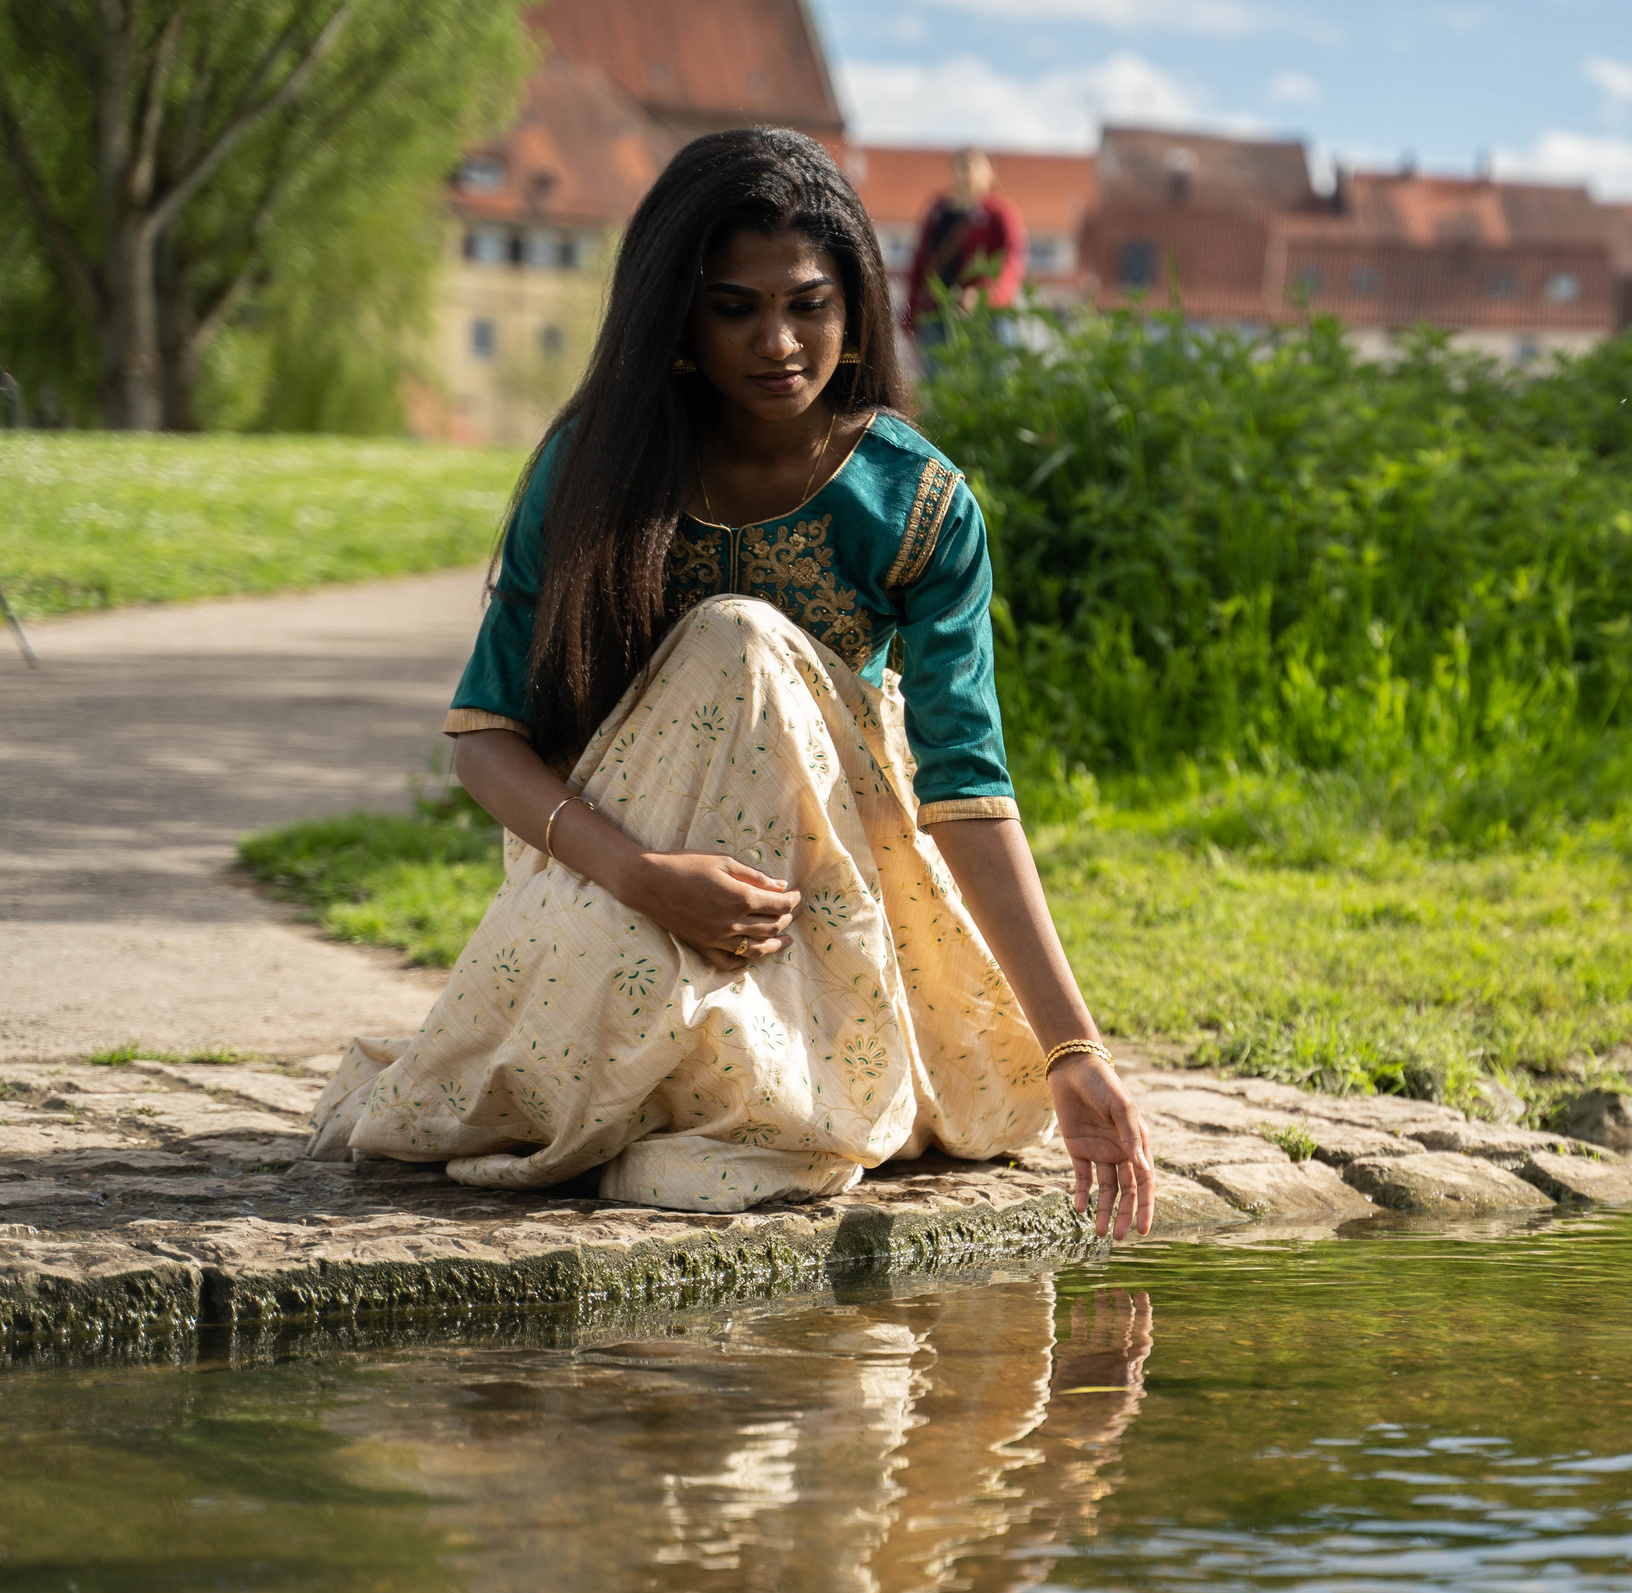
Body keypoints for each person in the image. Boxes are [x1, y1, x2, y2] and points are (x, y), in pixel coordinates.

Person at [309, 127, 1153, 1238]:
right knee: (729, 642)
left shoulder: (918, 504)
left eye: (808, 304)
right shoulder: (597, 469)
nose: (779, 342)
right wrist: (644, 876)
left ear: (854, 307)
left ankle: (776, 1070)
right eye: (733, 307)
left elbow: (964, 783)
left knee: (742, 641)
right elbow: (483, 737)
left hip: (840, 889)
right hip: (625, 865)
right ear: (677, 317)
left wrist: (1072, 1048)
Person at [902, 147, 1025, 354]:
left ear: (989, 172)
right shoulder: (937, 212)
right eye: (961, 165)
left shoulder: (999, 213)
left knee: (996, 377)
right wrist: (910, 315)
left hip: (986, 315)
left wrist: (984, 294)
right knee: (940, 381)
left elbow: (1011, 260)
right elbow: (920, 265)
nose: (967, 171)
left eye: (974, 165)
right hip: (937, 313)